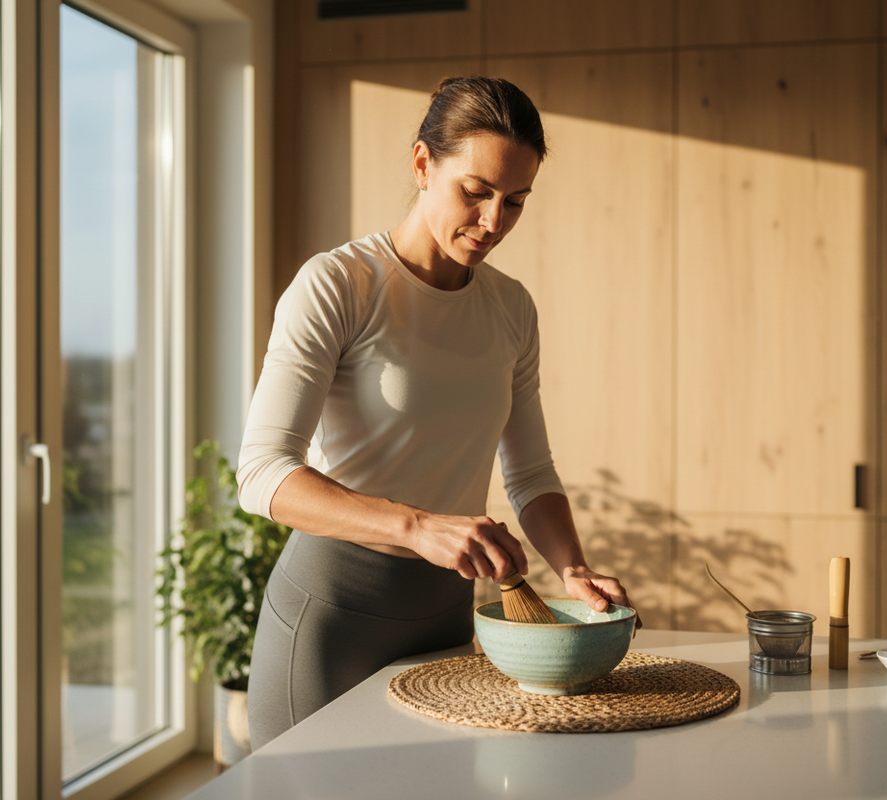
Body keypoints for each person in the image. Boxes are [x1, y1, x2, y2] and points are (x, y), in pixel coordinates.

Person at [236, 76, 637, 750]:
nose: (492, 223)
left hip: (448, 619)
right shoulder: (339, 285)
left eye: (515, 202)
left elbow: (531, 472)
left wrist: (572, 566)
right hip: (331, 617)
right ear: (423, 165)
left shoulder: (511, 309)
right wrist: (418, 527)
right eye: (474, 193)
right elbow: (261, 474)